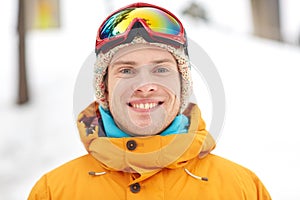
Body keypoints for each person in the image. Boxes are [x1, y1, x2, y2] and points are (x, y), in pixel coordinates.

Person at [28, 2, 271, 199]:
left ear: (182, 84)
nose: (144, 86)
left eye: (161, 70)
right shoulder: (54, 192)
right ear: (104, 87)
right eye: (126, 70)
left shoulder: (242, 189)